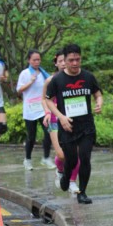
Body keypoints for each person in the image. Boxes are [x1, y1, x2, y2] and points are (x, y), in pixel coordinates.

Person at [45, 44, 103, 204]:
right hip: (67, 127)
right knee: (70, 160)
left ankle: (82, 192)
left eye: (77, 59)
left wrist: (99, 103)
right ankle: (65, 176)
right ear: (64, 60)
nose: (75, 63)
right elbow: (48, 100)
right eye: (71, 60)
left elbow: (98, 94)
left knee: (85, 158)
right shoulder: (57, 80)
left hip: (86, 127)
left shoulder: (88, 77)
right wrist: (60, 117)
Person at [42, 50, 80, 194]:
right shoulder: (50, 81)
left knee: (75, 153)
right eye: (60, 61)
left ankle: (72, 182)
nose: (64, 63)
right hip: (55, 120)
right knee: (62, 155)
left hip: (73, 119)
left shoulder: (76, 78)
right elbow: (44, 99)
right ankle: (59, 170)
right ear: (56, 64)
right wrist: (47, 112)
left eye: (66, 60)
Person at [16, 49, 55, 170]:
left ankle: (46, 158)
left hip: (42, 108)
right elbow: (19, 90)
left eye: (38, 59)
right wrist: (30, 82)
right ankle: (27, 159)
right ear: (29, 60)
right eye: (34, 60)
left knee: (49, 132)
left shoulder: (43, 73)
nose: (37, 62)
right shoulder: (25, 73)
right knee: (31, 137)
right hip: (30, 110)